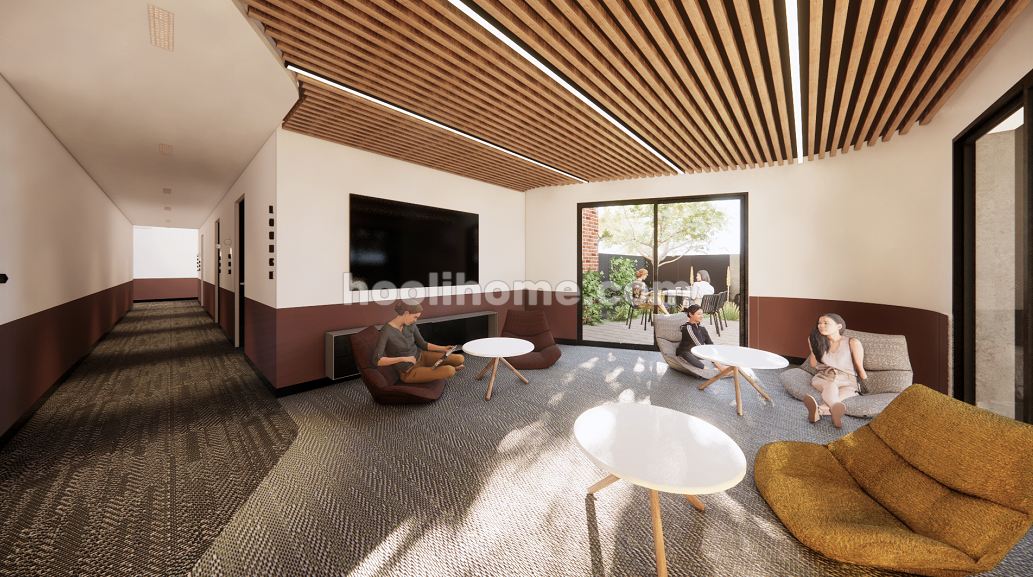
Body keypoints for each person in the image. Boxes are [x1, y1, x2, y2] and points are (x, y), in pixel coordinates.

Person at [372, 299, 464, 383]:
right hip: (408, 371)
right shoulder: (386, 330)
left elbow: (423, 344)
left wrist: (443, 348)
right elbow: (377, 360)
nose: (415, 320)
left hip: (421, 356)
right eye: (415, 317)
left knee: (460, 358)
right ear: (406, 313)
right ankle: (439, 370)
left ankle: (433, 369)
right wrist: (403, 358)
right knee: (450, 370)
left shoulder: (410, 325)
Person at [803, 313, 867, 427]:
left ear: (839, 326)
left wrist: (866, 383)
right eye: (819, 323)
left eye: (826, 323)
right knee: (831, 387)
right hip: (824, 377)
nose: (821, 326)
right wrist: (813, 350)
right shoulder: (816, 340)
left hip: (848, 381)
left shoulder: (852, 342)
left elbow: (859, 367)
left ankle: (819, 411)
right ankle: (835, 410)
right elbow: (813, 364)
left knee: (836, 401)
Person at [675, 304, 727, 372]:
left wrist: (715, 352)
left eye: (702, 314)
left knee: (716, 348)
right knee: (686, 354)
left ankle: (721, 366)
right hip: (687, 353)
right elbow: (698, 345)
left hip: (697, 353)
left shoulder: (702, 328)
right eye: (699, 314)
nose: (701, 316)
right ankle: (710, 369)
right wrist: (710, 356)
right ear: (690, 314)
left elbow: (710, 343)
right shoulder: (687, 328)